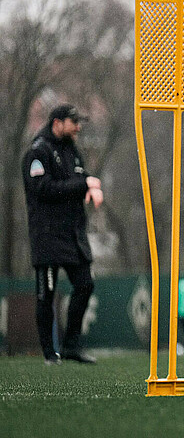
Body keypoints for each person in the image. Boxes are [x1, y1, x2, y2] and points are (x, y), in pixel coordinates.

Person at [22, 104, 103, 365]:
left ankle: (70, 346)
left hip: (72, 234)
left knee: (85, 284)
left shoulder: (72, 150)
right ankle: (49, 354)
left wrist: (90, 186)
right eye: (73, 122)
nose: (78, 127)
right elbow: (42, 188)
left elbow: (80, 177)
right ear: (57, 122)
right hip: (47, 234)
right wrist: (83, 184)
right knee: (47, 293)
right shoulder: (38, 151)